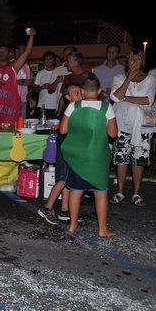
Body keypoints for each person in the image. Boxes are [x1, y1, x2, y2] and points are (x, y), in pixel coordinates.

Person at [60, 73, 117, 237]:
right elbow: (113, 134)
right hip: (97, 157)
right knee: (100, 193)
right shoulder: (107, 108)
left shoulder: (73, 107)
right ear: (99, 90)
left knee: (75, 191)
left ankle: (72, 225)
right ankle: (102, 229)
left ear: (83, 92)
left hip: (77, 157)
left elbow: (63, 130)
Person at [109, 50, 156, 207]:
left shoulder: (150, 79)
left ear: (142, 61)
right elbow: (114, 97)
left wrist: (125, 98)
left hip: (142, 126)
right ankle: (120, 191)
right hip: (122, 124)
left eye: (138, 59)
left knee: (139, 159)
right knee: (121, 158)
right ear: (127, 61)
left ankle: (136, 193)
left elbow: (147, 100)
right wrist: (129, 78)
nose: (135, 62)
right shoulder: (119, 78)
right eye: (131, 59)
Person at [38, 84, 83, 225]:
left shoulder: (77, 108)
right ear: (68, 97)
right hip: (65, 148)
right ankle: (46, 208)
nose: (80, 94)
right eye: (76, 93)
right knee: (62, 180)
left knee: (68, 179)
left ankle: (64, 211)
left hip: (71, 147)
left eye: (80, 92)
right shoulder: (72, 109)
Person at [32, 52, 61, 120]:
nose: (48, 60)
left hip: (56, 106)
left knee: (54, 128)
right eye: (46, 59)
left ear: (54, 60)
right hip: (42, 105)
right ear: (44, 61)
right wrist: (42, 87)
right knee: (42, 127)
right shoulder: (40, 73)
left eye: (50, 58)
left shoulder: (58, 72)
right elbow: (34, 89)